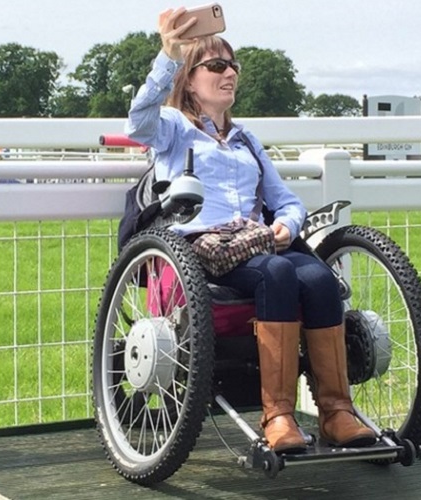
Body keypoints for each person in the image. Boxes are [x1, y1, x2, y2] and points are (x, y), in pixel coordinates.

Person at [125, 7, 377, 452]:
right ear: (189, 78)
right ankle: (277, 416)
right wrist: (168, 54)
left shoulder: (246, 140)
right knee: (277, 274)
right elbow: (138, 119)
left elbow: (286, 199)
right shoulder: (173, 130)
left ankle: (337, 410)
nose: (230, 74)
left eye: (233, 66)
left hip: (259, 242)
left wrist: (287, 223)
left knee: (318, 278)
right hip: (202, 250)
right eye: (217, 66)